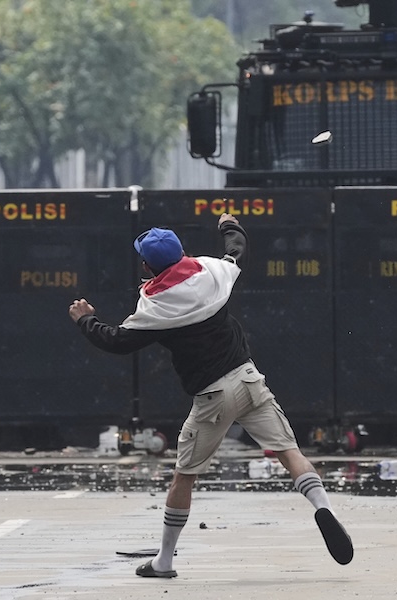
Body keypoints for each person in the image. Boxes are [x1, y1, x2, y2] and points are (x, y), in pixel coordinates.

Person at [67, 213, 353, 578]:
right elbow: (237, 250)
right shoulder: (212, 272)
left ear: (145, 265)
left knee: (184, 476)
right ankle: (322, 507)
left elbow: (116, 341)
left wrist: (84, 319)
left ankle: (164, 561)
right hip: (250, 380)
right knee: (289, 452)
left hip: (212, 397)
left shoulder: (155, 307)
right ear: (182, 252)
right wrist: (229, 226)